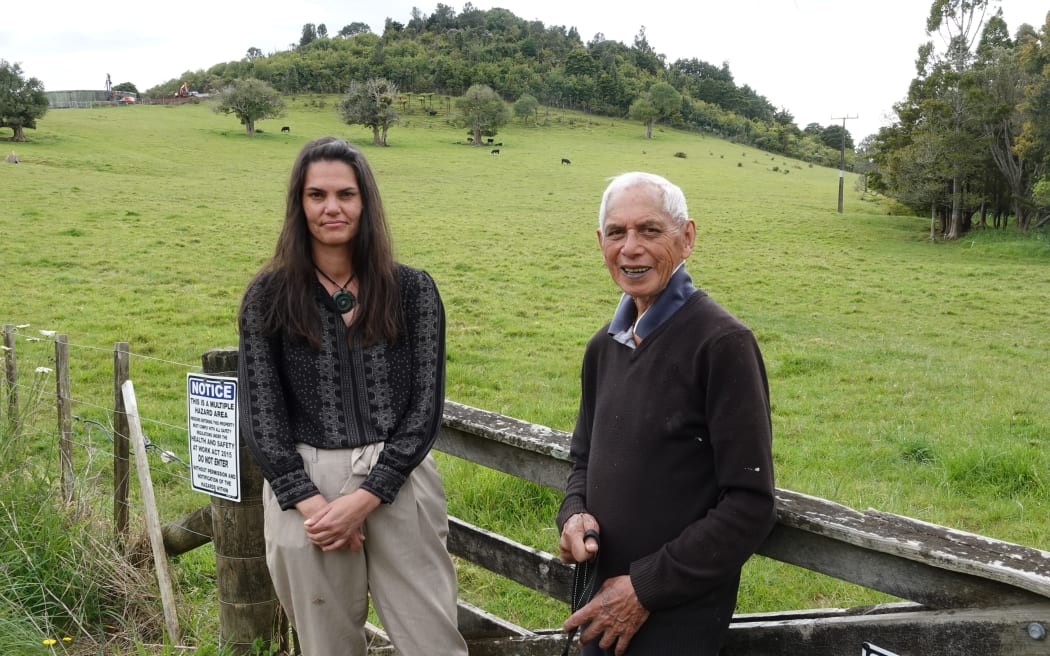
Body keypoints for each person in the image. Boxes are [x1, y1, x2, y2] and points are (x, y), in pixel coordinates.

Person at [237, 137, 468, 656]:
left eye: (345, 194)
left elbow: (424, 410)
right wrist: (315, 505)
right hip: (305, 487)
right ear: (299, 204)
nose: (332, 207)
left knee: (434, 642)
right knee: (327, 646)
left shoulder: (412, 291)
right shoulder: (269, 296)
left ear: (365, 202)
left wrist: (366, 497)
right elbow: (262, 415)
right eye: (317, 195)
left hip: (400, 480)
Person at [556, 172, 777, 656]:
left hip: (676, 618)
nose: (630, 248)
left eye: (650, 231)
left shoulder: (721, 344)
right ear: (601, 243)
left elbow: (749, 502)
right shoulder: (602, 348)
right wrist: (573, 515)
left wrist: (643, 589)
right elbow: (582, 461)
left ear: (687, 238)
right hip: (601, 604)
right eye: (617, 233)